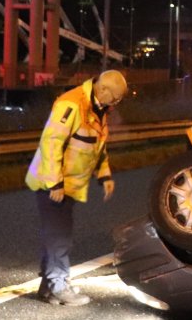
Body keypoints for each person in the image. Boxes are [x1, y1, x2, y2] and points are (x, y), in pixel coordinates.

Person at [25, 70, 128, 306]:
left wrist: (104, 176)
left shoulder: (98, 108)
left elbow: (97, 146)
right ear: (102, 90)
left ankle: (48, 288)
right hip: (51, 183)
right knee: (60, 236)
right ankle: (59, 286)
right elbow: (51, 144)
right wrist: (55, 183)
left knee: (56, 235)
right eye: (116, 98)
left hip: (68, 184)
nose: (116, 103)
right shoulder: (72, 104)